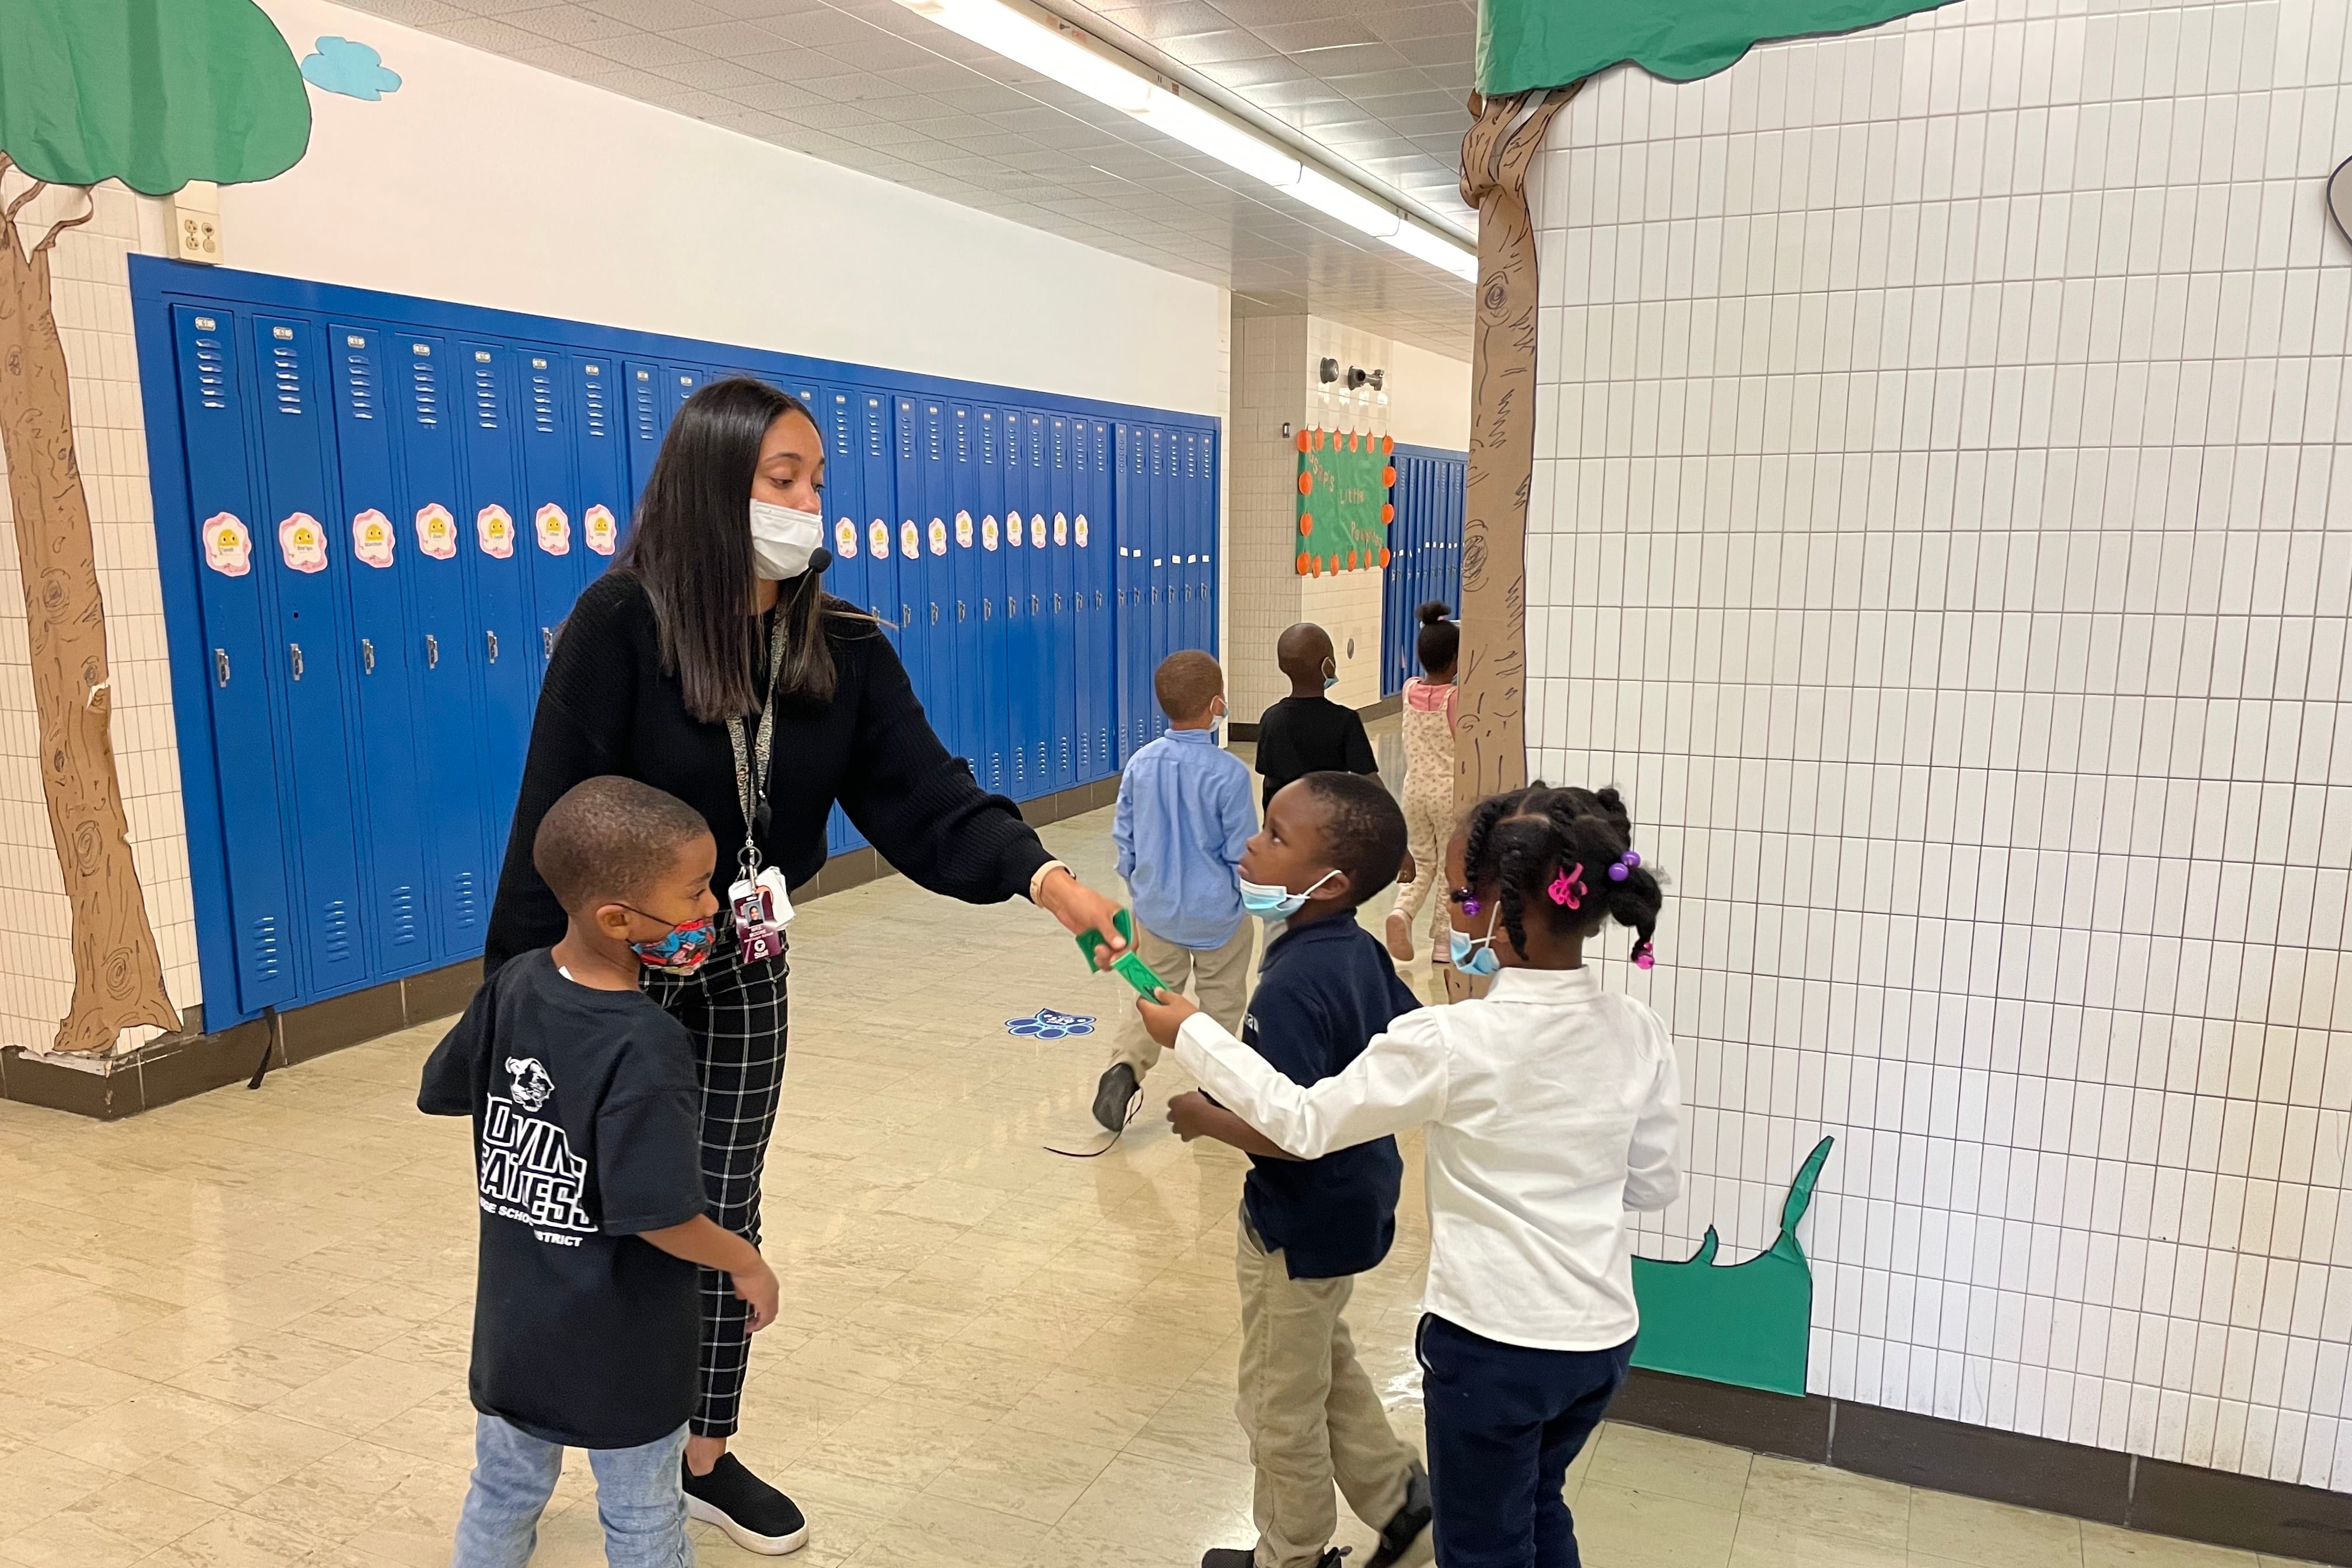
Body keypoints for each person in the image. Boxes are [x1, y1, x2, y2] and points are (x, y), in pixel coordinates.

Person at [483, 377, 1125, 1553]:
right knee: (585, 1210)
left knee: (721, 1201)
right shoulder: (621, 624)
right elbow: (553, 812)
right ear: (712, 485)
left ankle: (698, 1452)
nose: (804, 502)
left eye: (815, 480)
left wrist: (1043, 876)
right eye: (781, 478)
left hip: (746, 956)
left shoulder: (841, 647)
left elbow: (928, 798)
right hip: (615, 971)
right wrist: (518, 1011)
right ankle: (540, 1438)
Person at [1141, 784, 1681, 1568]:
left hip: (1493, 1348)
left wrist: (1190, 1030)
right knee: (1537, 1503)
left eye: (1464, 894)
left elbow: (1303, 1121)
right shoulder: (1639, 1030)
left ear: (1499, 908)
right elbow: (1652, 1186)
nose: (1457, 913)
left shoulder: (1456, 1039)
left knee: (1480, 1544)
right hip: (1598, 1343)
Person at [421, 777, 782, 1568]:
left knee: (502, 1496)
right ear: (617, 919)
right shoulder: (645, 1043)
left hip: (516, 1334)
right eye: (694, 894)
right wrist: (746, 1261)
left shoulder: (512, 985)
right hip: (625, 1352)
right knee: (644, 1518)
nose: (713, 911)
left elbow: (446, 1086)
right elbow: (656, 1215)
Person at [1161, 771, 1434, 1568]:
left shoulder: (1291, 984)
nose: (1252, 842)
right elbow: (1405, 1045)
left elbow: (1292, 1129)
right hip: (1358, 1204)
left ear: (1332, 881)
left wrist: (1206, 1117)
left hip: (1297, 1220)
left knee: (1277, 1407)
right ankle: (1402, 1505)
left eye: (1277, 836)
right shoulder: (1351, 949)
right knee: (1321, 1359)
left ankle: (1293, 1553)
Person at [1091, 650, 1258, 1130]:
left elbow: (1124, 838)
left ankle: (1123, 1068)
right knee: (1223, 1001)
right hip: (1218, 917)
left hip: (1157, 911)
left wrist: (1140, 888)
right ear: (1216, 704)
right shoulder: (1227, 773)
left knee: (1153, 994)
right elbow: (1241, 852)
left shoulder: (1141, 764)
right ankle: (1216, 1090)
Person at [1384, 602, 1460, 963]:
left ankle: (1402, 912)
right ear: (1456, 660)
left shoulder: (1408, 689)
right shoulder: (1455, 699)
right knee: (1449, 864)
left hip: (1413, 791)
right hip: (1449, 794)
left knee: (1423, 861)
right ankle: (1443, 941)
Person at [1251, 622, 1378, 811]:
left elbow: (1268, 775)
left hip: (1283, 828)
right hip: (1327, 827)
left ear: (1281, 666)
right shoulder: (1344, 721)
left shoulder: (1271, 719)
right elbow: (1368, 780)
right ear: (1328, 665)